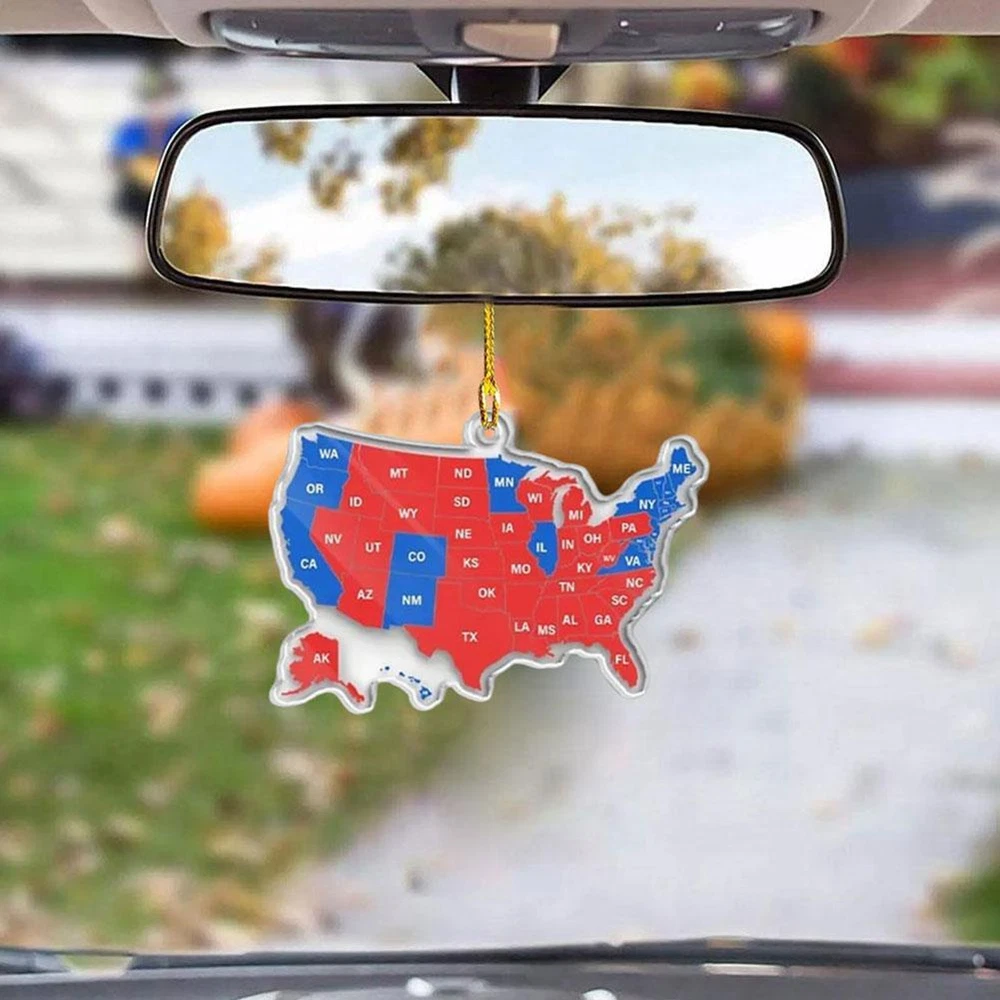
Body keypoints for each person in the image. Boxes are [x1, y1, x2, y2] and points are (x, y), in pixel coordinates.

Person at [110, 61, 191, 229]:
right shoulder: (131, 129)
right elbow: (120, 162)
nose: (159, 104)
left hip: (180, 193)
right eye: (153, 98)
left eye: (163, 97)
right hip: (142, 195)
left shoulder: (185, 124)